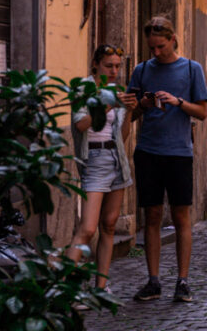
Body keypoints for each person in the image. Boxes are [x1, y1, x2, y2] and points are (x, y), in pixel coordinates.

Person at [127, 16, 207, 304]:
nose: (156, 53)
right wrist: (143, 105)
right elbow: (132, 114)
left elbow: (202, 112)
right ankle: (153, 280)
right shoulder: (141, 70)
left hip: (178, 152)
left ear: (173, 40)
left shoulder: (191, 69)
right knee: (150, 215)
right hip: (148, 151)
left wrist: (178, 102)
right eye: (152, 48)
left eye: (161, 46)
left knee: (180, 216)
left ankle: (183, 280)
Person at [68, 44, 137, 288]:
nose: (114, 71)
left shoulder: (115, 90)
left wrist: (128, 112)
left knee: (108, 226)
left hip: (117, 160)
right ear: (96, 64)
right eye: (109, 66)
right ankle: (66, 287)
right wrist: (109, 104)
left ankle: (101, 287)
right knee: (87, 229)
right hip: (94, 161)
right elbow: (80, 124)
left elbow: (122, 136)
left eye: (118, 66)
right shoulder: (83, 88)